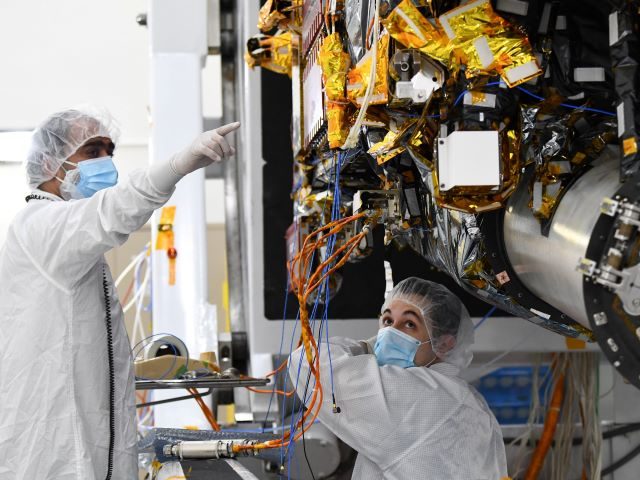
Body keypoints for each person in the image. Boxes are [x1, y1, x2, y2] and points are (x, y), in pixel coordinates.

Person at [0, 106, 240, 479]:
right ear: (51, 164)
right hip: (58, 461)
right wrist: (178, 164)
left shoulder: (69, 242)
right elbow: (111, 213)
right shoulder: (41, 227)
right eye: (92, 151)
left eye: (109, 151)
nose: (106, 162)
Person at [290, 277, 508, 479]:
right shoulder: (465, 400)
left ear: (443, 343)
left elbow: (308, 364)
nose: (390, 334)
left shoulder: (420, 394)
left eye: (409, 324)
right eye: (387, 321)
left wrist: (367, 347)